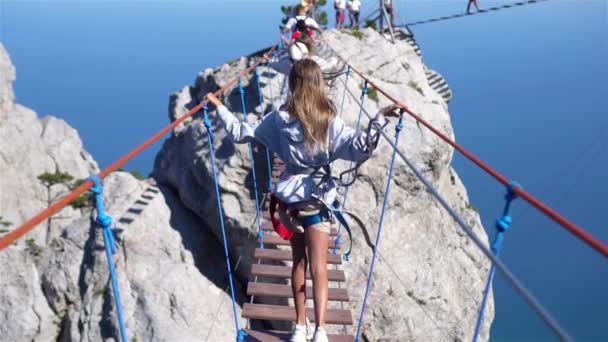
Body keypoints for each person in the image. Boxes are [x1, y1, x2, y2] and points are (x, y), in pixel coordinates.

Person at [205, 59, 399, 342]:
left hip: (291, 204)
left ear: (292, 85)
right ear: (319, 85)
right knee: (320, 267)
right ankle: (320, 331)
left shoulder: (278, 120)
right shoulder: (328, 122)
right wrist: (379, 118)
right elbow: (360, 149)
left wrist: (220, 107)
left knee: (299, 263)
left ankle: (299, 326)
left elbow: (240, 132)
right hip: (317, 202)